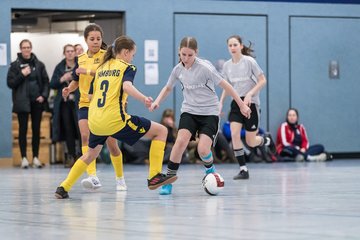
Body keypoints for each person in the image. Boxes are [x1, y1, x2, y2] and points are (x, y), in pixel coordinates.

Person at [55, 35, 177, 199]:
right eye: (133, 55)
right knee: (161, 131)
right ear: (126, 52)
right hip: (114, 119)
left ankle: (63, 187)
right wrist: (144, 99)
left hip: (95, 120)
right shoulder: (127, 67)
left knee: (90, 155)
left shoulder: (101, 68)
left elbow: (91, 96)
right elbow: (127, 86)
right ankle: (154, 176)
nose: (132, 58)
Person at [150, 36, 251, 195]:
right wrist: (157, 101)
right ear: (179, 52)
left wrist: (241, 104)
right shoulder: (177, 69)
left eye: (190, 55)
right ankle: (169, 181)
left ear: (196, 53)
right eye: (183, 54)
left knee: (203, 149)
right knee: (180, 142)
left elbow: (226, 85)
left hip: (209, 113)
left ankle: (210, 170)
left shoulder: (205, 68)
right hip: (189, 111)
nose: (186, 58)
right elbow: (168, 88)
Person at [62, 24, 126, 191]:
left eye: (98, 38)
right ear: (86, 40)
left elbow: (104, 74)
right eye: (92, 39)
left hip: (104, 105)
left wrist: (86, 70)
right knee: (85, 137)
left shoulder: (107, 56)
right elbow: (77, 79)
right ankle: (93, 176)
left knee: (112, 145)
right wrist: (70, 88)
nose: (96, 42)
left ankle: (120, 179)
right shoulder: (81, 58)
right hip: (85, 103)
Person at [219, 35, 270, 180]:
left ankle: (266, 140)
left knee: (250, 141)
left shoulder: (249, 62)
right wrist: (221, 102)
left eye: (235, 45)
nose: (233, 48)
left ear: (241, 46)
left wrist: (250, 94)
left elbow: (262, 80)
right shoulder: (227, 65)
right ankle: (243, 169)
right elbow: (227, 87)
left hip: (251, 104)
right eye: (230, 45)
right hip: (236, 103)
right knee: (234, 135)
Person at [7, 39, 49, 169]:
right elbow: (10, 83)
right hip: (22, 102)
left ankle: (36, 158)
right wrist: (22, 74)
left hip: (37, 102)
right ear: (20, 49)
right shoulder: (14, 66)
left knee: (36, 130)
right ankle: (24, 158)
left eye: (28, 47)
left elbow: (46, 82)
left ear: (31, 48)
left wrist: (44, 95)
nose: (26, 50)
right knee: (22, 130)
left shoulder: (39, 64)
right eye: (24, 47)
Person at [50, 44, 80, 167]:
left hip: (79, 102)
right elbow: (52, 84)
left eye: (72, 51)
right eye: (67, 51)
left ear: (75, 52)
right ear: (64, 53)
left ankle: (84, 157)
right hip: (65, 103)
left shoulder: (80, 65)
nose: (70, 53)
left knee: (81, 129)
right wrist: (62, 78)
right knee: (68, 130)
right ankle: (71, 156)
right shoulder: (60, 67)